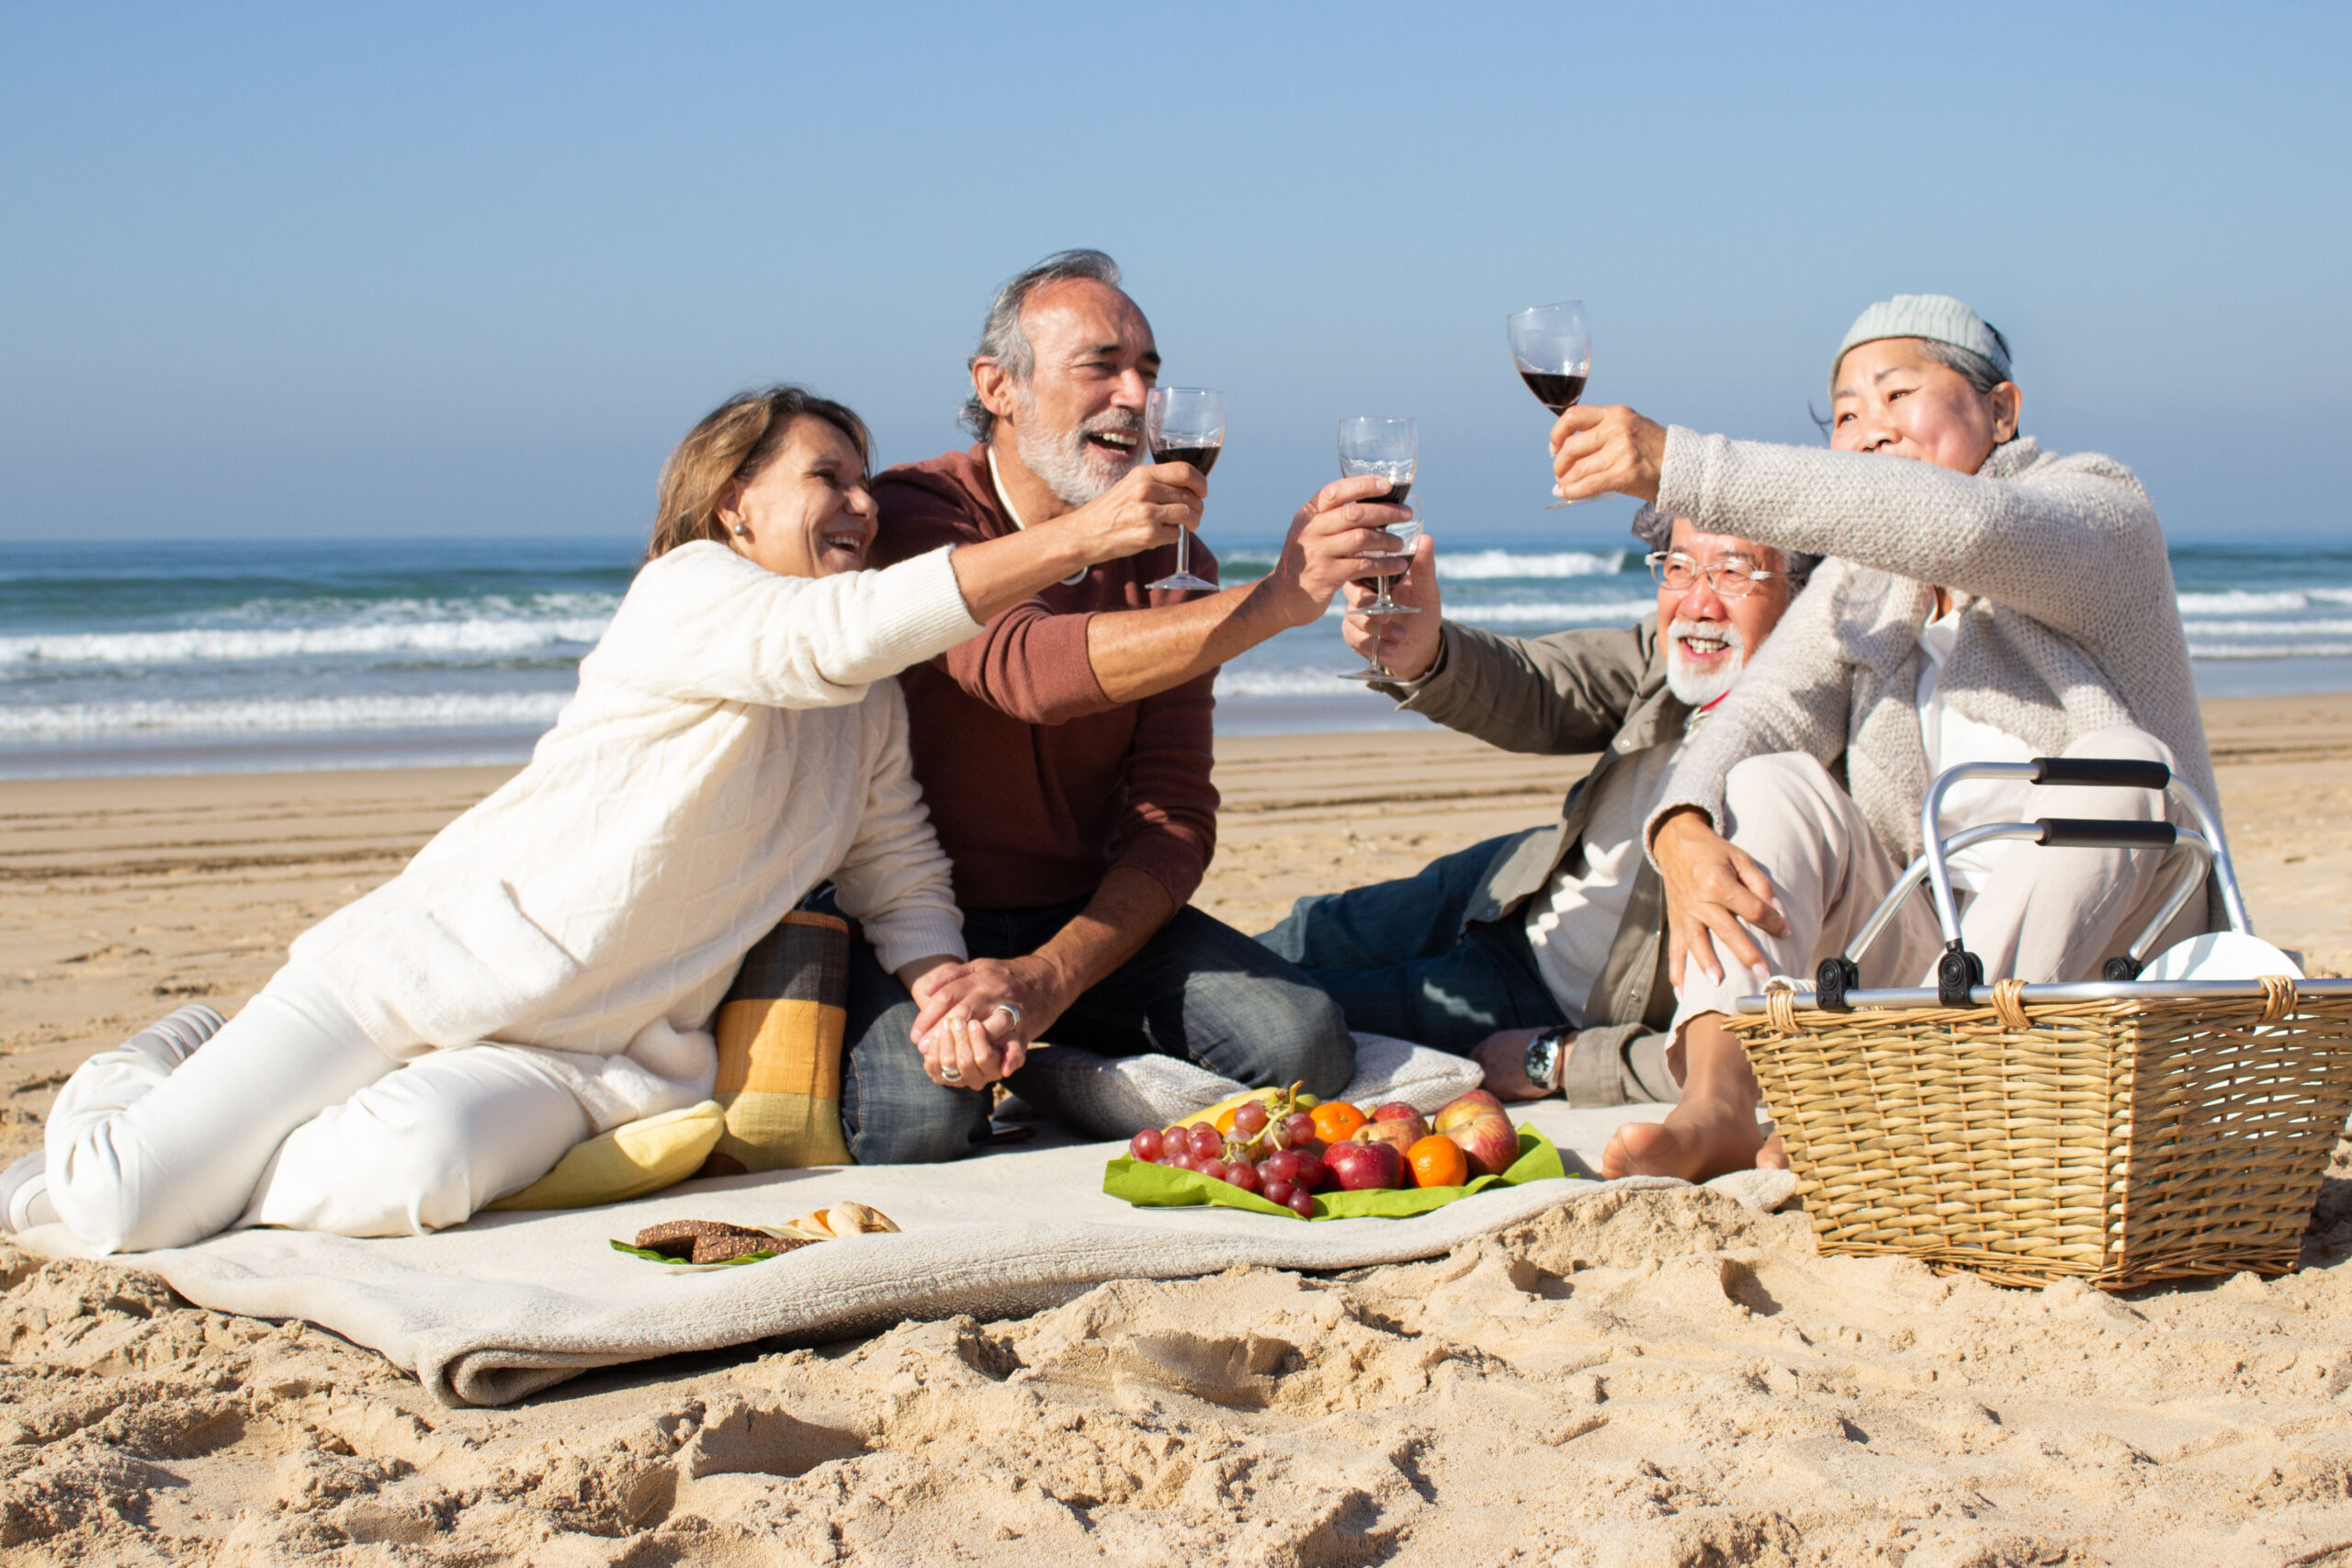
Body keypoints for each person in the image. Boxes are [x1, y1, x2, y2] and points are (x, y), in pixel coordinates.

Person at [4, 384, 1189, 1252]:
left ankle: (219, 1143)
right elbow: (832, 636)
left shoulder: (866, 703)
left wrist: (940, 984)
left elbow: (897, 868)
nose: (860, 504)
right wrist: (1083, 535)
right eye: (826, 477)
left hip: (597, 1057)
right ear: (734, 506)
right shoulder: (690, 594)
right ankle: (168, 1058)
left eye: (864, 482)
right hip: (416, 976)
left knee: (412, 1171)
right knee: (119, 1205)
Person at [1546, 294, 2214, 1182]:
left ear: (2002, 410)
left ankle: (1937, 1102)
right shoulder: (1866, 584)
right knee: (1767, 780)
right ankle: (1719, 1102)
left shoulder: (2097, 511)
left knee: (2121, 769)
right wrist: (1680, 831)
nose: (1869, 428)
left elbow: (1962, 524)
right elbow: (1757, 715)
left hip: (2112, 945)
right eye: (1848, 414)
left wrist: (1681, 464)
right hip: (1935, 960)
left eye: (1898, 395)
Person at [849, 249, 1413, 1160]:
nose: (1134, 397)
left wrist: (1047, 976)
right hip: (908, 919)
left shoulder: (1169, 567)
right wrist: (1273, 606)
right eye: (1099, 365)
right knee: (917, 1123)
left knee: (1299, 1040)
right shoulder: (913, 515)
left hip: (1075, 917)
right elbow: (1023, 673)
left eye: (1148, 373)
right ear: (997, 385)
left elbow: (1173, 819)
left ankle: (1047, 1051)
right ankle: (1028, 1047)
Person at [1258, 513, 1809, 1105]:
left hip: (1543, 995)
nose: (1698, 603)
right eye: (1677, 567)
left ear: (1805, 595)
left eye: (1732, 572)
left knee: (1287, 1015)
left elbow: (1783, 1040)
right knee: (1292, 938)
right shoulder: (1664, 650)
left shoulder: (1814, 772)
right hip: (1515, 882)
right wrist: (1426, 653)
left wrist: (1563, 1058)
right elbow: (1543, 686)